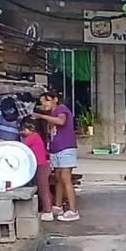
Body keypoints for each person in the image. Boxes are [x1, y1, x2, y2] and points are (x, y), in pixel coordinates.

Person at [33, 91, 80, 222]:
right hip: (56, 149)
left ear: (55, 100)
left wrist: (41, 116)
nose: (44, 104)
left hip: (66, 148)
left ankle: (73, 211)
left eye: (47, 100)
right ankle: (58, 207)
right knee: (59, 178)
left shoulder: (61, 109)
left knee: (65, 178)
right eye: (42, 102)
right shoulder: (51, 114)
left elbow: (61, 121)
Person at [20, 116, 53, 222]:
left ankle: (48, 211)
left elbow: (21, 148)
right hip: (44, 165)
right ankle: (48, 209)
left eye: (24, 129)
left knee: (43, 189)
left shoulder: (31, 138)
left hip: (40, 166)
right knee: (45, 188)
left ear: (32, 128)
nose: (22, 132)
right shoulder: (37, 136)